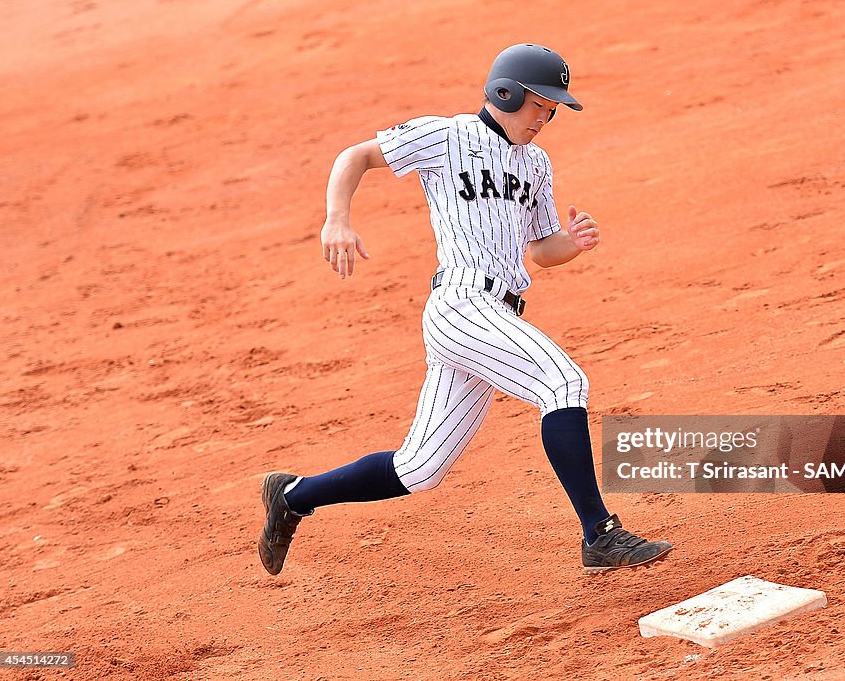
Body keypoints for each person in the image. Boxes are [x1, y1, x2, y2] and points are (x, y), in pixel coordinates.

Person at [258, 44, 672, 575]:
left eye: (553, 110)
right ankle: (600, 534)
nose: (546, 118)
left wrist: (572, 242)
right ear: (506, 92)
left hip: (497, 316)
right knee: (562, 383)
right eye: (540, 104)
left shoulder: (537, 164)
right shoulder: (448, 136)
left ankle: (292, 495)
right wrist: (336, 217)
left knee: (419, 468)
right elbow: (354, 156)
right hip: (461, 305)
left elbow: (541, 250)